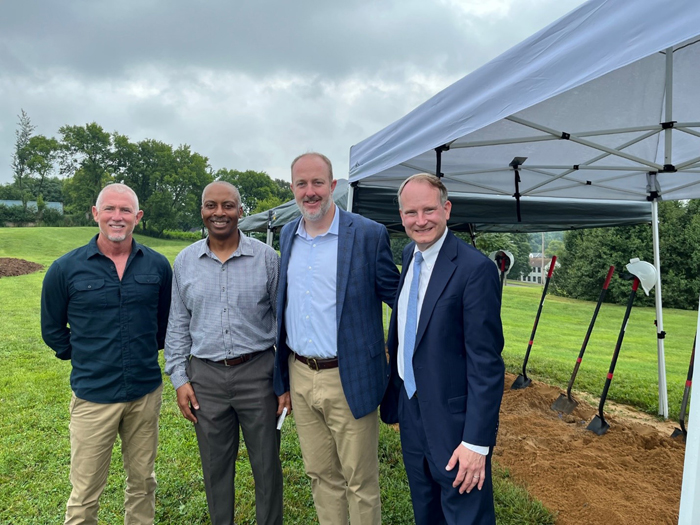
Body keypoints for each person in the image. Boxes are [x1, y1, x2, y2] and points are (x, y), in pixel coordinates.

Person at [274, 152, 400, 525]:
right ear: (293, 188)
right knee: (320, 475)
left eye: (317, 183)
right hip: (300, 374)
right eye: (302, 184)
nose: (310, 192)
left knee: (360, 482)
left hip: (351, 377)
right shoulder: (288, 235)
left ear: (333, 186)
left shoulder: (367, 234)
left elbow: (400, 301)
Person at [41, 183, 172, 525]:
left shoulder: (157, 267)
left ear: (138, 217)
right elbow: (53, 330)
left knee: (143, 483)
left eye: (126, 210)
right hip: (93, 396)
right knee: (85, 493)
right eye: (110, 209)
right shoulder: (65, 269)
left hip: (145, 392)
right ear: (96, 214)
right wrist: (87, 355)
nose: (118, 217)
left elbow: (165, 323)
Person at [380, 173, 505, 525]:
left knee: (465, 515)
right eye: (410, 213)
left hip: (455, 424)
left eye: (429, 210)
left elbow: (487, 363)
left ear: (446, 209)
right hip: (411, 411)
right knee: (426, 511)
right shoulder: (410, 254)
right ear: (401, 216)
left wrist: (477, 443)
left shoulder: (475, 270)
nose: (420, 221)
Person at [164, 181, 283, 525]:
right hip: (205, 379)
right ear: (202, 210)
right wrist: (179, 378)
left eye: (228, 205)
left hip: (258, 374)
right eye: (211, 206)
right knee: (215, 469)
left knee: (267, 466)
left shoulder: (266, 258)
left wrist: (283, 379)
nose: (219, 213)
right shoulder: (185, 261)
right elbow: (177, 323)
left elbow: (281, 318)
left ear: (240, 210)